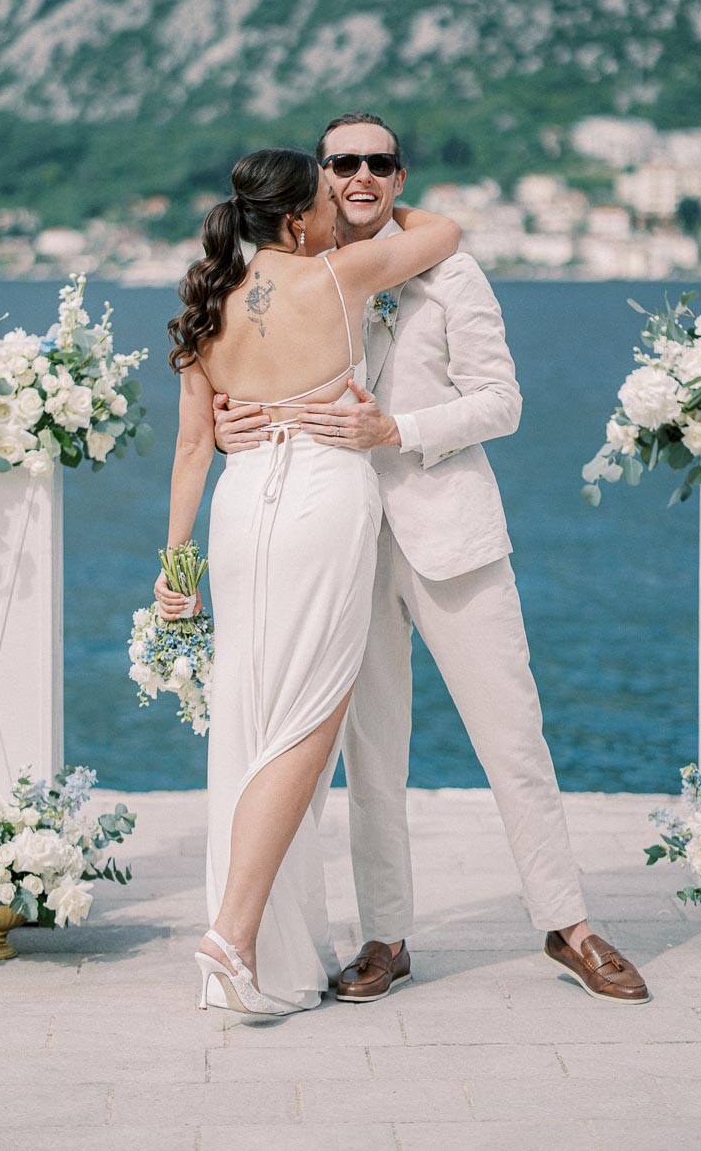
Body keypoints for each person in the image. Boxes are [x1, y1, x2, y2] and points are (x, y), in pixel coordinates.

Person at [214, 113, 650, 1006]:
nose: (362, 174)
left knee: (513, 738)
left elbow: (503, 401)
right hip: (343, 549)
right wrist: (230, 430)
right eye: (344, 162)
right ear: (320, 182)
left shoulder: (451, 271)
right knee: (374, 759)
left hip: (452, 536)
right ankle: (385, 937)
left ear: (400, 177)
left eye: (380, 161)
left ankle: (570, 927)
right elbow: (247, 385)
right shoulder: (298, 281)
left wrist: (397, 429)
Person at [156, 146, 460, 1016]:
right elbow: (446, 230)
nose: (344, 208)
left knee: (252, 720)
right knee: (308, 721)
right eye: (328, 197)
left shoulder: (206, 295)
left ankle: (273, 953)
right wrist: (379, 202)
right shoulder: (339, 275)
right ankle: (235, 934)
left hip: (241, 504)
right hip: (323, 497)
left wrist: (177, 573)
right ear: (297, 218)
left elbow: (189, 451)